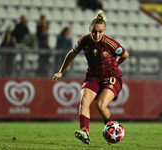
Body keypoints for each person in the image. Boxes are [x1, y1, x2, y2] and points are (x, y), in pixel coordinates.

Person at [53, 10, 129, 144]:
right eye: (94, 31)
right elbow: (72, 53)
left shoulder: (110, 43)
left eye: (100, 31)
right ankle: (85, 132)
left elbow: (125, 54)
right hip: (93, 76)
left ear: (104, 31)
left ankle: (112, 128)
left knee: (101, 105)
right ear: (90, 29)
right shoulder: (84, 40)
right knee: (84, 100)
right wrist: (61, 72)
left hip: (111, 76)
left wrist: (115, 65)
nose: (97, 34)